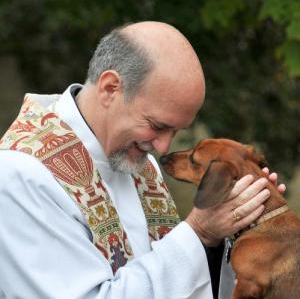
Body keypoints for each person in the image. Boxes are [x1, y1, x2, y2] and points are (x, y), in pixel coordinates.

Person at [0, 21, 285, 299]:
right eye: (158, 126)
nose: (162, 148)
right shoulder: (21, 175)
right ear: (110, 88)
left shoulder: (134, 158)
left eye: (175, 131)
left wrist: (240, 227)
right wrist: (199, 232)